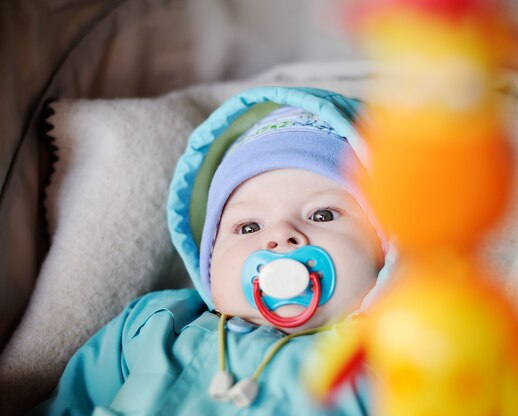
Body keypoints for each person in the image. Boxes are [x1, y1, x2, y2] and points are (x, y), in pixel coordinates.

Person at [33, 87, 390, 415]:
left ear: (389, 249)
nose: (281, 237)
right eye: (249, 227)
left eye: (322, 214)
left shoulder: (393, 362)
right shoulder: (156, 324)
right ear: (209, 260)